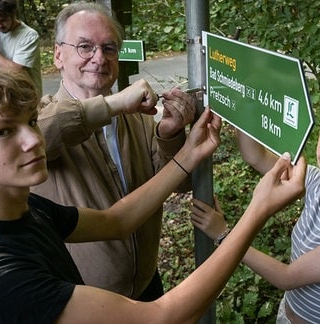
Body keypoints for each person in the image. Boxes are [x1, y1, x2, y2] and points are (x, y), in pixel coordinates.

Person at [0, 65, 306, 323]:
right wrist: (258, 210)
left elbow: (117, 220)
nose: (32, 140)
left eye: (31, 122)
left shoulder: (24, 210)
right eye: (4, 132)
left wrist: (188, 156)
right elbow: (163, 317)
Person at [31, 1, 197, 301]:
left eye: (109, 48)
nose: (99, 58)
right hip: (85, 301)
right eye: (85, 47)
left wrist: (168, 134)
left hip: (146, 283)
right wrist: (114, 104)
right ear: (58, 54)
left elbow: (181, 182)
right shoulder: (37, 117)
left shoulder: (135, 119)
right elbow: (42, 135)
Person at [190, 96, 320, 323]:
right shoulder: (317, 182)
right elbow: (255, 156)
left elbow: (288, 277)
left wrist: (224, 235)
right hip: (286, 313)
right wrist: (244, 103)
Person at [0, 0, 42, 97]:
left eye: (3, 20)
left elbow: (15, 71)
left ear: (13, 14)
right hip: (1, 95)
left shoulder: (29, 35)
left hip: (24, 97)